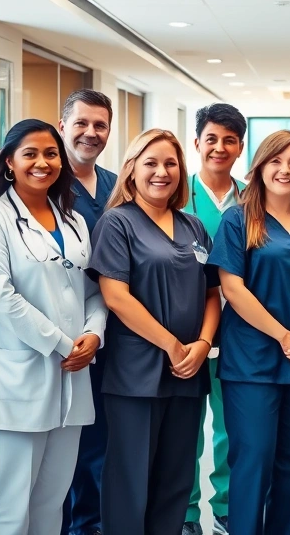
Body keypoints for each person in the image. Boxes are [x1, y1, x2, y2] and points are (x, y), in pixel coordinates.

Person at [0, 119, 107, 535]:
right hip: (15, 384)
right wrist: (66, 345)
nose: (42, 162)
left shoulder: (74, 221)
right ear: (9, 162)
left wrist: (94, 335)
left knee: (51, 505)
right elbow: (1, 298)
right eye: (30, 153)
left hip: (71, 380)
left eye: (51, 154)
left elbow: (93, 291)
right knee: (10, 511)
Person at [88, 128, 219, 534]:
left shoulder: (193, 226)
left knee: (176, 479)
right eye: (151, 163)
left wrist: (201, 344)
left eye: (170, 163)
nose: (161, 172)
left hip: (187, 371)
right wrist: (172, 345)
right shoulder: (117, 223)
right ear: (131, 170)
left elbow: (213, 293)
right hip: (136, 373)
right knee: (130, 479)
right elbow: (116, 297)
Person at [209, 130, 290, 535]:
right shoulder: (238, 220)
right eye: (276, 161)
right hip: (254, 362)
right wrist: (283, 336)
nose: (285, 170)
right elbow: (232, 288)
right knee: (254, 460)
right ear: (260, 167)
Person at [182, 103, 248, 535]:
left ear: (240, 147)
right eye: (212, 139)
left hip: (240, 336)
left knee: (231, 430)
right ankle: (185, 514)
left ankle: (226, 507)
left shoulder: (253, 198)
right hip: (186, 334)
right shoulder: (174, 194)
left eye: (229, 140)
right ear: (197, 143)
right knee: (186, 431)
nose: (219, 148)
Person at [59, 89, 117, 535]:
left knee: (100, 444)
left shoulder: (118, 186)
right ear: (63, 126)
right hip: (61, 336)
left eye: (100, 125)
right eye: (81, 123)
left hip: (112, 334)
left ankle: (90, 526)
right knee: (60, 451)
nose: (90, 133)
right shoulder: (41, 185)